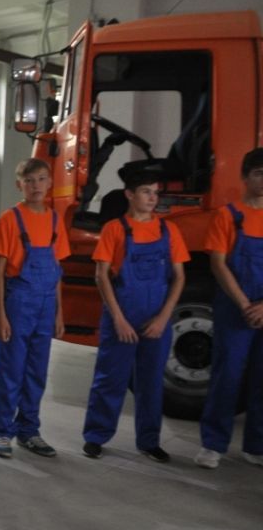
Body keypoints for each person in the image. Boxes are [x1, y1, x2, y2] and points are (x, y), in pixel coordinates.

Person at [82, 170, 188, 462]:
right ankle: (96, 436)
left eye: (155, 192)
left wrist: (163, 318)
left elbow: (179, 277)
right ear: (129, 194)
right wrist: (118, 318)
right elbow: (101, 275)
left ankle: (149, 441)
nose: (152, 198)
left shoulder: (169, 231)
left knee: (152, 382)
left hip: (156, 319)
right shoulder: (115, 229)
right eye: (146, 192)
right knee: (110, 379)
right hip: (122, 316)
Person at [0, 158, 70, 459]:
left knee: (36, 371)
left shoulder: (54, 220)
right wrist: (2, 315)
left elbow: (57, 268)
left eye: (41, 179)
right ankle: (1, 431)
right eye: (29, 180)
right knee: (11, 369)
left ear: (50, 183)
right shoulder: (11, 219)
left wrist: (59, 312)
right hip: (19, 300)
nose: (35, 185)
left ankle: (29, 430)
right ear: (18, 184)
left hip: (46, 302)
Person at [196, 148, 263, 469]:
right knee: (228, 375)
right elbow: (218, 264)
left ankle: (256, 446)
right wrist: (246, 305)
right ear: (245, 177)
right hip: (234, 308)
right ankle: (213, 444)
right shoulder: (228, 216)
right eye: (259, 173)